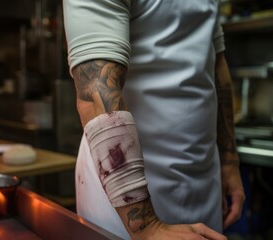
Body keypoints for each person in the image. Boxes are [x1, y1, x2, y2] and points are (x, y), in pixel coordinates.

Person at [63, 1, 245, 239]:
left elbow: (215, 61)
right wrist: (147, 227)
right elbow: (94, 93)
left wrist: (229, 161)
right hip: (126, 206)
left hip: (203, 182)